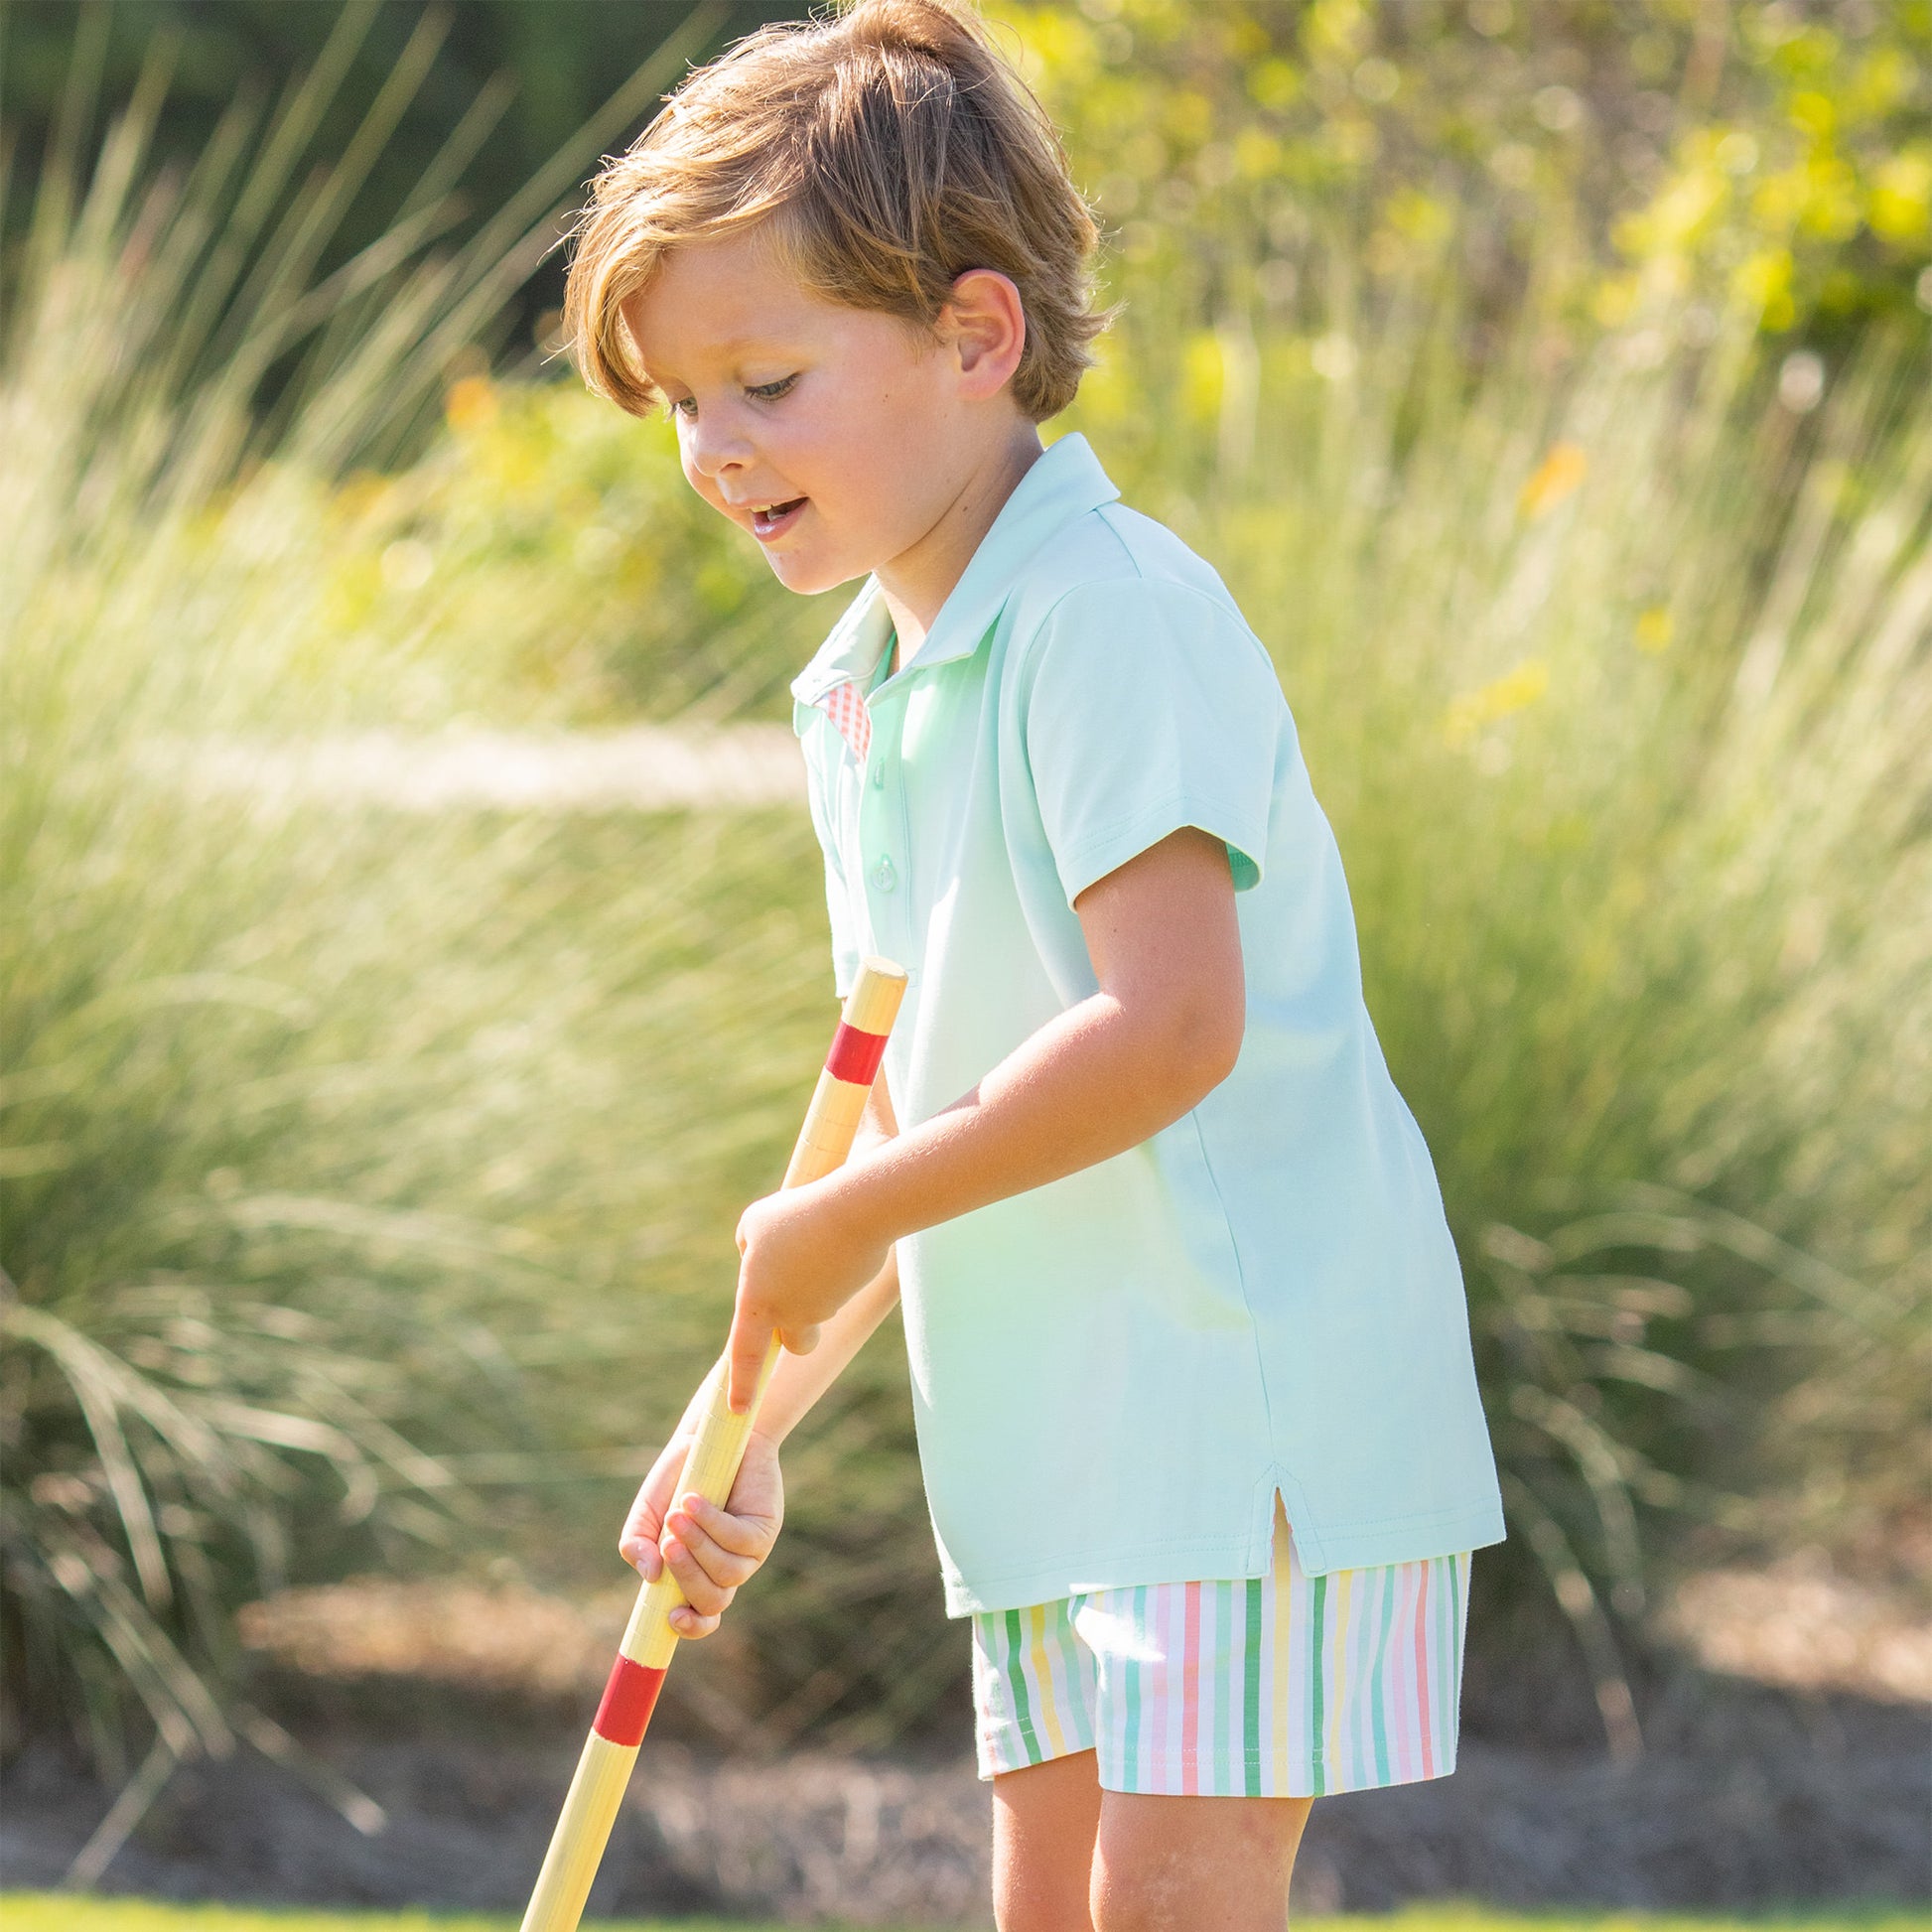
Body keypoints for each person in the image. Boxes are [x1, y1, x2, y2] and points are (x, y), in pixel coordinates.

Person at [561, 4, 1505, 1925]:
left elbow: (1165, 1029)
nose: (714, 450)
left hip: (1242, 1417)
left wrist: (823, 1228)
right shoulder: (870, 692)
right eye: (680, 405)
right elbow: (909, 1114)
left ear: (975, 336)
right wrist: (740, 1402)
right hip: (1053, 1430)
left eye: (763, 379)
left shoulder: (1105, 616)